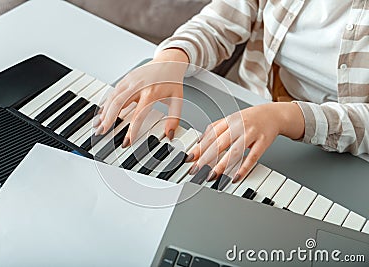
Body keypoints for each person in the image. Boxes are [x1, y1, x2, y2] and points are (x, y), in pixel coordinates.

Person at [94, 0, 369, 183]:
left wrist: (286, 117)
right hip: (244, 107)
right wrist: (172, 58)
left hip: (344, 156)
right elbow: (220, 22)